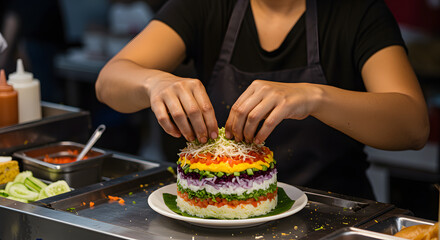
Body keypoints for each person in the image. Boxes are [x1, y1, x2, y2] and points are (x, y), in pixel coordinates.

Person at [95, 0, 430, 199]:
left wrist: (315, 96)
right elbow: (109, 81)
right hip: (217, 211)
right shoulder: (204, 6)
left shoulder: (358, 13)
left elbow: (413, 126)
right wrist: (154, 82)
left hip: (332, 210)